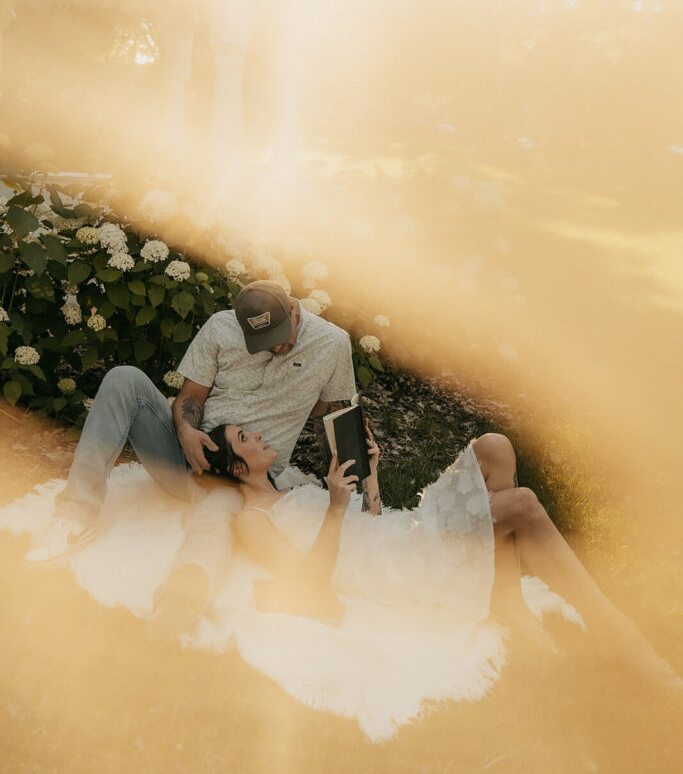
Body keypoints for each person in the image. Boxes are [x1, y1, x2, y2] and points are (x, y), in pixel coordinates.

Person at [203, 421, 680, 689]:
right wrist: (332, 506)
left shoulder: (298, 485)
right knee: (522, 505)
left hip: (393, 536)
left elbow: (368, 520)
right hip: (392, 568)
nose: (260, 436)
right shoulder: (252, 519)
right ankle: (626, 642)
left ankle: (506, 596)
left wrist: (369, 475)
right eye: (245, 438)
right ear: (233, 465)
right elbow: (309, 584)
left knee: (494, 447)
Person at [27, 281, 358, 634]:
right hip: (185, 459)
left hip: (241, 481)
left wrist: (354, 487)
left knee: (211, 526)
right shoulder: (219, 327)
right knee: (124, 378)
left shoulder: (332, 344)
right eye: (264, 341)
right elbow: (191, 397)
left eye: (281, 335)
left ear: (294, 308)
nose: (277, 346)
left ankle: (180, 600)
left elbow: (333, 418)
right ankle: (74, 515)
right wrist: (185, 434)